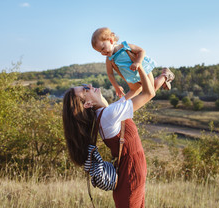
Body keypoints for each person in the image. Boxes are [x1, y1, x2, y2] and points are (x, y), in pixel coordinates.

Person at [62, 65, 155, 207]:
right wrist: (141, 65)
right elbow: (149, 93)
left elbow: (137, 89)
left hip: (129, 169)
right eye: (86, 89)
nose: (90, 86)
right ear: (87, 104)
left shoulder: (106, 113)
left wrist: (119, 68)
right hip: (130, 172)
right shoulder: (109, 114)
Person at [91, 27, 175, 98]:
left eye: (102, 48)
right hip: (133, 78)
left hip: (144, 71)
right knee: (145, 92)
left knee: (152, 90)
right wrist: (116, 86)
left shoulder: (125, 46)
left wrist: (138, 62)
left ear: (111, 40)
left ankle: (165, 75)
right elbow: (110, 74)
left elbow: (141, 51)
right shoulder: (109, 59)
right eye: (99, 52)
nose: (102, 52)